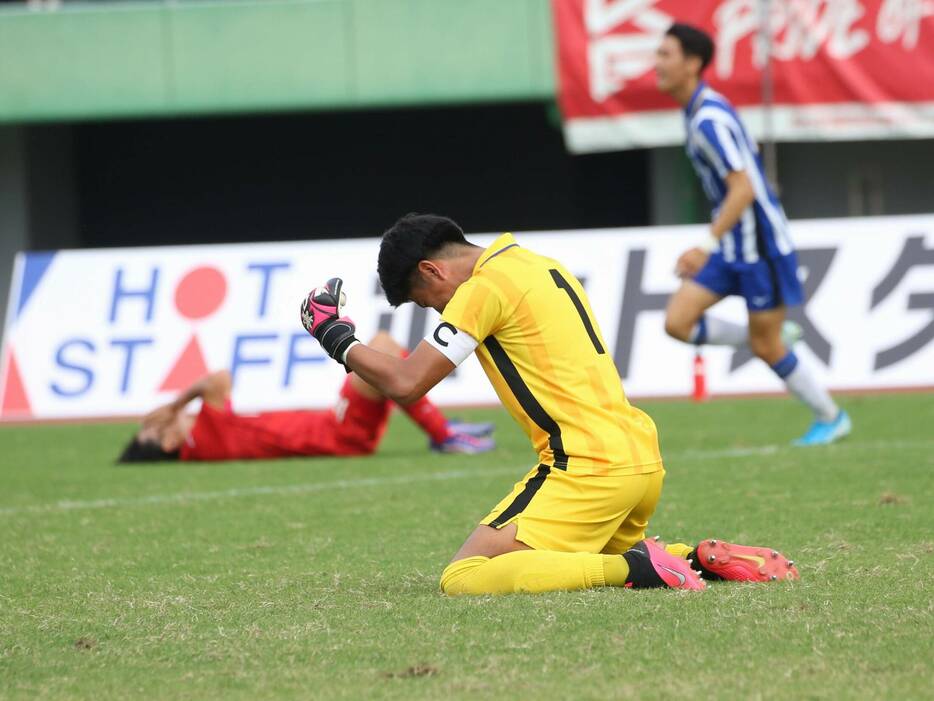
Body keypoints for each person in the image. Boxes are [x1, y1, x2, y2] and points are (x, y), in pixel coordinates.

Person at [300, 214, 799, 595]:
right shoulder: (539, 264)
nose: (440, 311)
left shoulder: (482, 288)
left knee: (465, 575)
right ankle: (690, 557)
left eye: (429, 301)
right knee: (572, 554)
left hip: (586, 467)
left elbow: (407, 382)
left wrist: (334, 335)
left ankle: (637, 568)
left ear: (432, 269)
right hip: (641, 459)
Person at [655, 22, 851, 446]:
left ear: (692, 63)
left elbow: (743, 187)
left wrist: (703, 246)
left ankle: (830, 416)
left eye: (666, 54)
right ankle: (768, 337)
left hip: (760, 248)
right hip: (732, 246)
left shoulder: (707, 119)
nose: (658, 63)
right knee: (677, 322)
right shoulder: (703, 110)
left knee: (768, 348)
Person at [117, 331, 495, 463]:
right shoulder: (203, 438)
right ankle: (444, 436)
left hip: (335, 428)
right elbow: (217, 378)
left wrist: (174, 413)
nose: (157, 419)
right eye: (153, 429)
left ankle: (440, 431)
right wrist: (175, 405)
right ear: (169, 440)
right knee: (381, 350)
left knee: (384, 350)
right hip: (340, 435)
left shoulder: (207, 438)